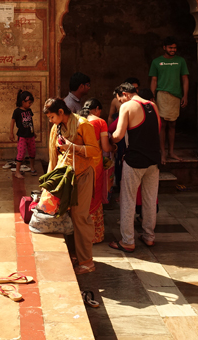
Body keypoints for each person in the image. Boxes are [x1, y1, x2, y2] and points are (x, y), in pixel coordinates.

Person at [44, 98, 101, 274]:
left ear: (61, 112)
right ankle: (74, 255)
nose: (50, 121)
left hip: (83, 175)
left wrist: (73, 147)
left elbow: (94, 150)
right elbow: (53, 156)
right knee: (65, 214)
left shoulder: (83, 125)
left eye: (52, 117)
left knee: (80, 217)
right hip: (64, 176)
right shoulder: (57, 127)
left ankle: (86, 261)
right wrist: (48, 184)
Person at [109, 82, 162, 252]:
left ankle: (127, 241)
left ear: (125, 94)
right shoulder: (153, 105)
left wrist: (108, 140)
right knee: (149, 200)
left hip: (135, 160)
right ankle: (149, 236)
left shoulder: (128, 106)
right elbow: (158, 130)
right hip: (153, 160)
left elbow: (118, 135)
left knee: (128, 200)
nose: (120, 104)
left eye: (120, 100)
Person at [149, 36, 189, 162]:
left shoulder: (180, 61)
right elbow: (154, 80)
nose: (173, 50)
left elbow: (185, 79)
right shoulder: (156, 62)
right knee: (162, 125)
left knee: (172, 124)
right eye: (170, 47)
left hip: (175, 96)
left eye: (175, 48)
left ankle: (171, 152)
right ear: (164, 47)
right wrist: (152, 96)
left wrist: (185, 95)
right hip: (161, 95)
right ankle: (163, 153)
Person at [79, 98, 113, 244]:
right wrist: (114, 148)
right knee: (95, 195)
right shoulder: (100, 122)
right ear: (97, 109)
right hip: (95, 164)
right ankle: (94, 235)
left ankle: (80, 234)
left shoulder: (79, 120)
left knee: (82, 197)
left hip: (80, 163)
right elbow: (105, 148)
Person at [8, 90, 35, 173]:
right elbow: (12, 122)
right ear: (23, 102)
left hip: (30, 135)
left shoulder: (29, 111)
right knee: (21, 153)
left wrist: (34, 132)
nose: (30, 105)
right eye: (29, 103)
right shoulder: (17, 112)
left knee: (32, 152)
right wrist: (11, 133)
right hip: (22, 136)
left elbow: (31, 121)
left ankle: (32, 167)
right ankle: (17, 171)